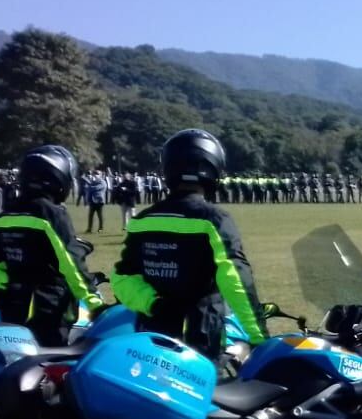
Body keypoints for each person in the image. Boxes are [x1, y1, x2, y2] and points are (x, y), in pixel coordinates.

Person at [112, 129, 266, 360]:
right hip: (198, 336)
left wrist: (155, 305)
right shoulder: (213, 219)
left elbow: (122, 278)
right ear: (212, 167)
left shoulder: (141, 220)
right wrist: (259, 336)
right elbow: (235, 279)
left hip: (150, 336)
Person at [0, 145, 102, 346]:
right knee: (47, 366)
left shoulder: (5, 215)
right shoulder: (51, 213)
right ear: (57, 177)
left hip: (11, 306)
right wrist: (95, 303)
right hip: (48, 309)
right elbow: (70, 263)